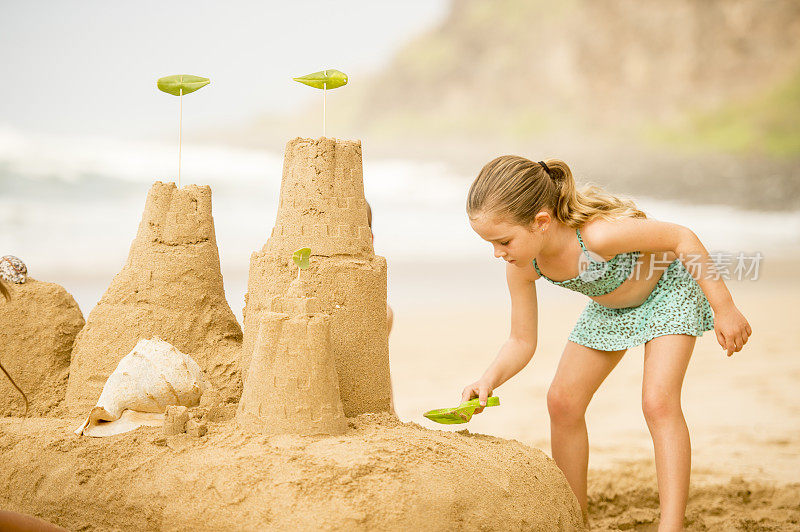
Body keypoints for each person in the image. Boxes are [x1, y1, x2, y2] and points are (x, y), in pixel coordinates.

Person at [460, 156, 751, 530]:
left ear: (541, 222)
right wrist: (488, 380)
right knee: (562, 401)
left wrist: (724, 308)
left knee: (658, 401)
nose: (498, 253)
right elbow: (520, 340)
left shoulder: (597, 236)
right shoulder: (524, 267)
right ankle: (574, 516)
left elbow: (682, 237)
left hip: (667, 292)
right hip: (611, 306)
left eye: (503, 241)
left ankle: (671, 524)